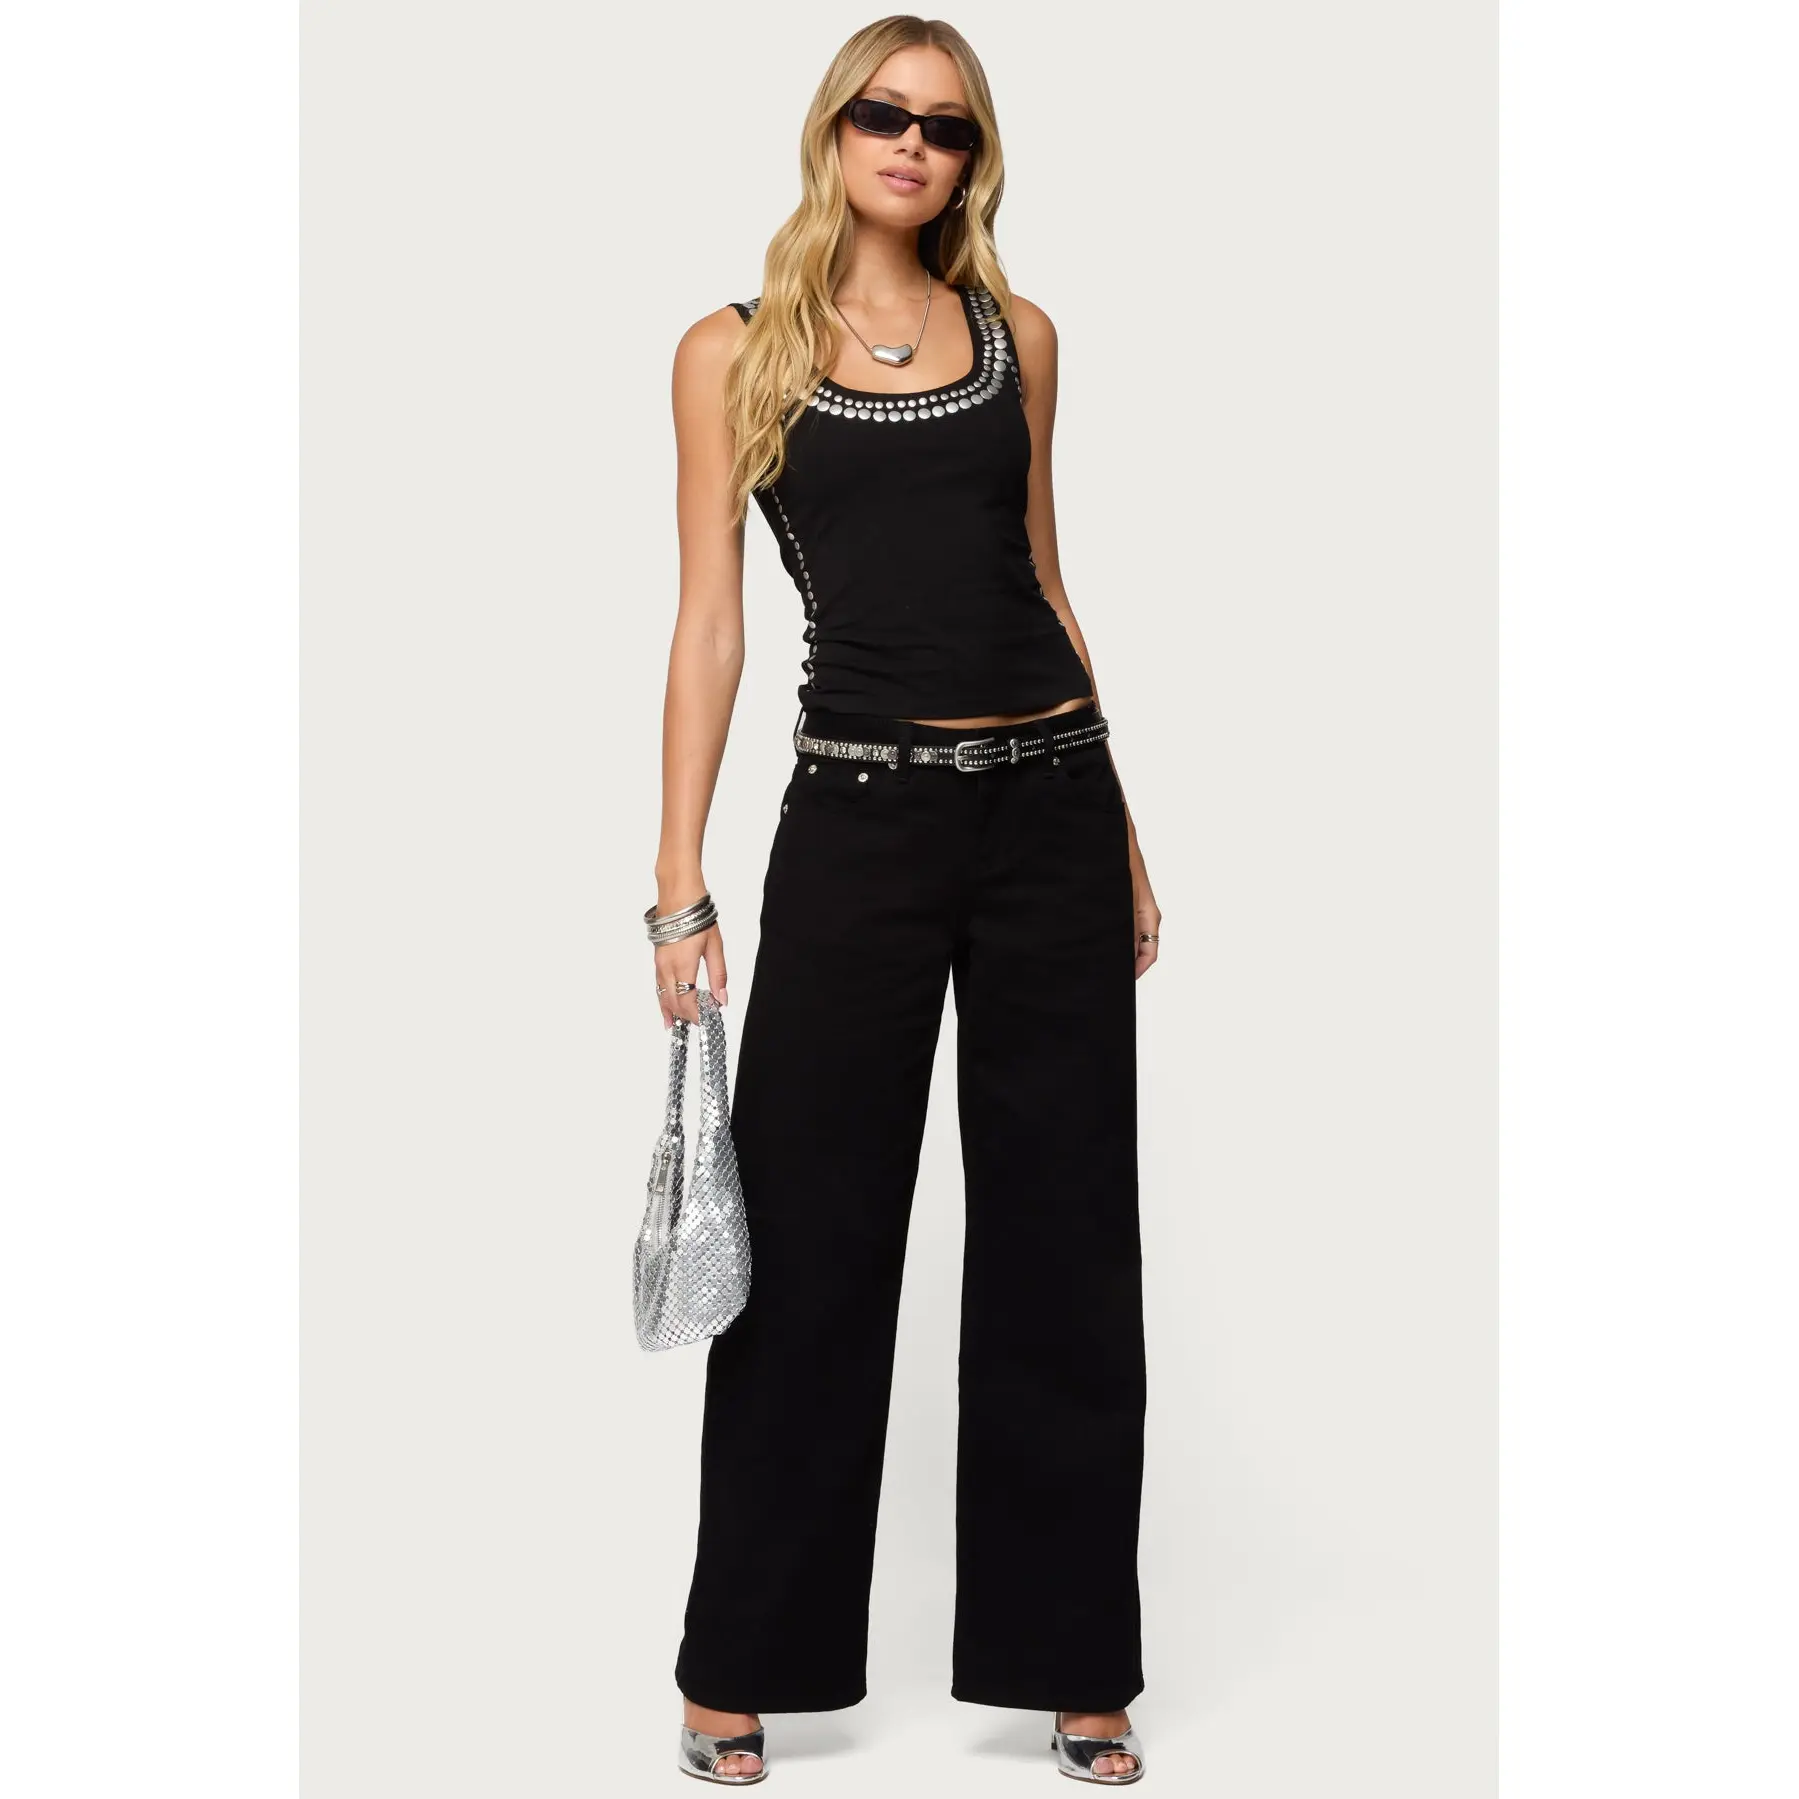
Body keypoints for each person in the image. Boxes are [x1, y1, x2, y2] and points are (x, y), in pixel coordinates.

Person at [652, 16, 1160, 1787]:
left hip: (1050, 808)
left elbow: (1041, 576)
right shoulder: (733, 349)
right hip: (858, 821)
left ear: (971, 158)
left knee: (1064, 1238)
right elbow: (710, 621)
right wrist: (675, 884)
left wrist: (1120, 825)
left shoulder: (1019, 335)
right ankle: (741, 1663)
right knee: (807, 1241)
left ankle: (1075, 1664)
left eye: (942, 127)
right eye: (880, 113)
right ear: (831, 132)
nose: (908, 144)